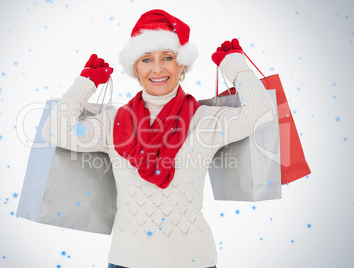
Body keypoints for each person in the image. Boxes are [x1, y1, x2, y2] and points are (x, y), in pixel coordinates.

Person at [42, 9, 274, 268]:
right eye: (146, 59)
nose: (157, 68)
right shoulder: (112, 122)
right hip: (125, 261)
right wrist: (86, 82)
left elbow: (261, 113)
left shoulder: (205, 120)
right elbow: (54, 131)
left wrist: (236, 66)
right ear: (135, 68)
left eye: (167, 57)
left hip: (194, 261)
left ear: (181, 64)